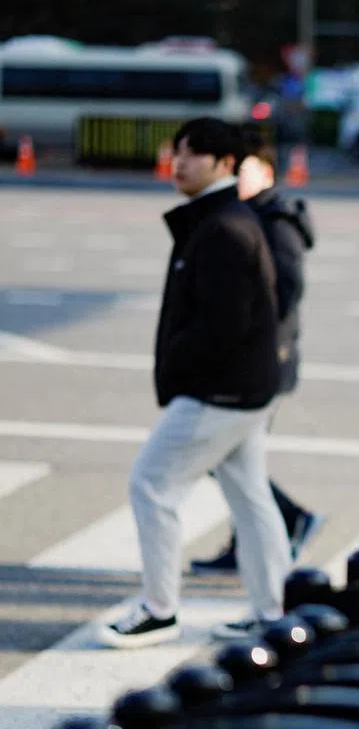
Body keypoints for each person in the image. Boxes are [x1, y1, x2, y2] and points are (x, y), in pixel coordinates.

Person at [96, 118, 293, 648]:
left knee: (151, 485)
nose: (179, 162)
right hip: (246, 389)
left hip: (221, 392)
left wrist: (182, 368)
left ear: (225, 165)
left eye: (194, 154)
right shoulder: (223, 219)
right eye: (178, 152)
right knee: (251, 498)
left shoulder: (224, 227)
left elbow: (222, 325)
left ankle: (159, 608)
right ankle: (270, 610)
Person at [190, 126, 323, 576]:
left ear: (265, 171)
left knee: (221, 453)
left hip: (262, 361)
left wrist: (249, 333)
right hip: (251, 359)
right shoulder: (248, 213)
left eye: (240, 169)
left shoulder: (274, 217)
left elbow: (287, 288)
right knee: (235, 459)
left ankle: (286, 523)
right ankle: (251, 541)